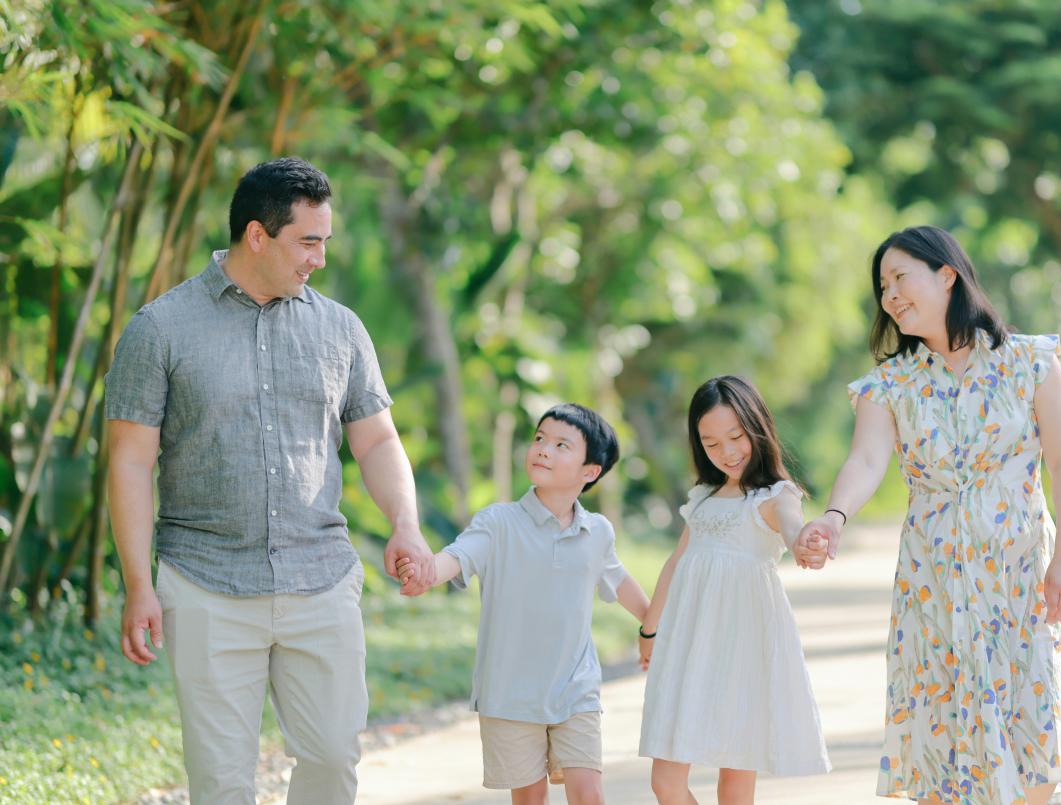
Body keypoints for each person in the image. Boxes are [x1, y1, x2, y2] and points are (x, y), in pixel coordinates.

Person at [105, 157, 435, 805]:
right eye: (307, 242)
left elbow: (375, 438)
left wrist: (406, 522)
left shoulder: (340, 329)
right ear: (258, 234)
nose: (319, 257)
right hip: (206, 583)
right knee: (223, 782)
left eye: (324, 242)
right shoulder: (160, 329)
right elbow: (129, 460)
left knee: (334, 758)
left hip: (322, 578)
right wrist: (138, 583)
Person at [797, 226, 1061, 804]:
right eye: (882, 286)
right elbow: (865, 460)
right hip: (933, 583)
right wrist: (833, 517)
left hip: (1020, 579)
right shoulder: (889, 384)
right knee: (939, 728)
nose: (889, 295)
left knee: (1028, 723)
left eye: (899, 277)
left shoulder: (1032, 362)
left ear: (947, 274)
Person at [396, 403, 650, 805]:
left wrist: (656, 627)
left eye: (562, 444)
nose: (544, 449)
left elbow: (620, 582)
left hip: (575, 688)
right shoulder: (498, 522)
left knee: (590, 794)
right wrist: (426, 571)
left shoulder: (597, 530)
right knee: (530, 799)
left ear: (590, 472)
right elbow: (457, 557)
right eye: (539, 439)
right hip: (510, 694)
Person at [637, 375, 831, 804]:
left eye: (736, 437)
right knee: (665, 781)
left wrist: (807, 543)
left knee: (735, 787)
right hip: (687, 647)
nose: (726, 452)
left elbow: (794, 528)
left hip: (742, 649)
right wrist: (650, 629)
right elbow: (676, 563)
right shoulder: (704, 495)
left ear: (757, 428)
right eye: (710, 443)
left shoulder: (776, 495)